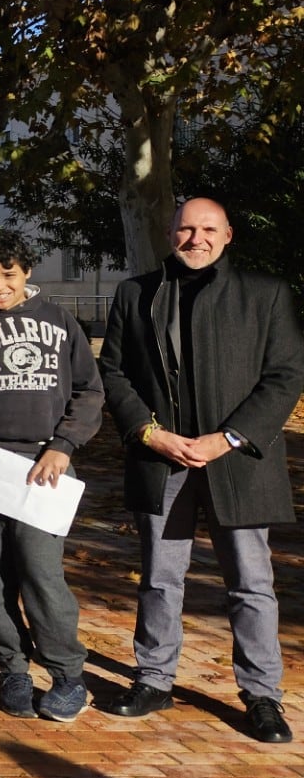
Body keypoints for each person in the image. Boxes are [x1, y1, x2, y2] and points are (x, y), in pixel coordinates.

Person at [97, 197, 304, 743]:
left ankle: (262, 696)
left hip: (238, 463)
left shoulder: (266, 295)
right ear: (170, 234)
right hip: (161, 457)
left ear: (228, 235)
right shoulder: (135, 293)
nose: (197, 238)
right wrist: (150, 432)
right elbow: (113, 373)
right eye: (186, 228)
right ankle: (153, 679)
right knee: (161, 579)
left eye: (208, 229)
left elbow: (284, 376)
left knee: (252, 584)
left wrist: (227, 439)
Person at [0, 229, 104, 722]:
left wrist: (64, 445)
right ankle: (12, 666)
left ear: (26, 272)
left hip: (42, 463)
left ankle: (68, 674)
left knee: (41, 572)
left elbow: (90, 392)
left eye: (7, 275)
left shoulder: (58, 320)